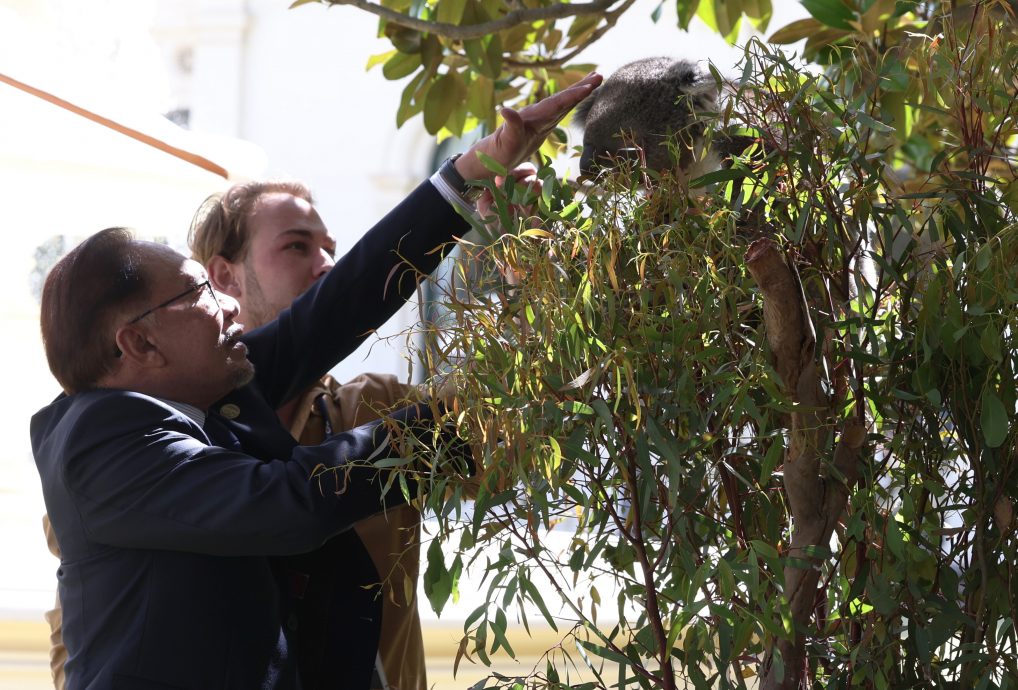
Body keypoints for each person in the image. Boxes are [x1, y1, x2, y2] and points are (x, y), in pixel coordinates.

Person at [31, 71, 602, 690]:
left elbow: (337, 308)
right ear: (139, 343)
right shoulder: (101, 439)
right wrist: (473, 412)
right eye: (199, 293)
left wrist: (469, 174)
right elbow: (291, 501)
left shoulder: (214, 390)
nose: (226, 306)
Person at [188, 179, 426, 690]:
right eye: (297, 246)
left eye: (330, 249)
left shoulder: (376, 408)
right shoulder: (170, 436)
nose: (327, 265)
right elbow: (85, 632)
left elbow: (506, 421)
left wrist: (521, 267)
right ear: (225, 276)